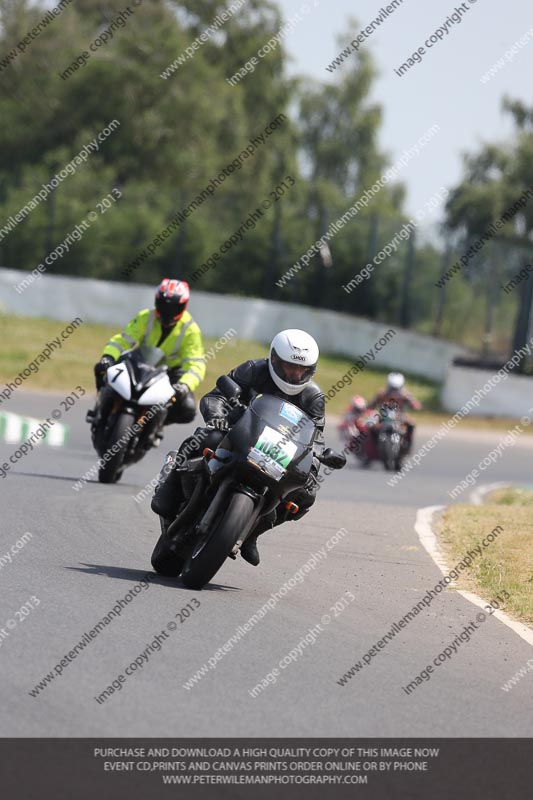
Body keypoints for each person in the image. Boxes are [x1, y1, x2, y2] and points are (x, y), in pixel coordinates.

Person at [151, 329, 325, 566]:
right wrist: (217, 416)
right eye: (288, 367)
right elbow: (217, 396)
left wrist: (314, 463)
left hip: (278, 454)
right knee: (207, 436)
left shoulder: (313, 398)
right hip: (236, 434)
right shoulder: (253, 370)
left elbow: (316, 439)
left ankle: (254, 532)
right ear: (274, 359)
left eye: (302, 370)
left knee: (306, 493)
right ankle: (170, 487)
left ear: (311, 371)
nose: (294, 374)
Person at [90, 279, 205, 430]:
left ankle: (156, 425)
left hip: (170, 372)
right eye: (164, 305)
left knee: (188, 409)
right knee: (103, 369)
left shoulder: (191, 330)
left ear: (183, 306)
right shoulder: (146, 317)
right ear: (156, 301)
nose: (167, 311)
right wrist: (108, 357)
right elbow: (123, 340)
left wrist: (184, 385)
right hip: (138, 362)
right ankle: (100, 409)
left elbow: (196, 364)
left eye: (173, 307)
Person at [368, 372, 421, 452]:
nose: (394, 392)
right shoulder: (382, 393)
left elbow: (414, 403)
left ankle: (406, 444)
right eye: (392, 388)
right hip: (384, 416)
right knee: (371, 425)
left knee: (411, 424)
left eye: (396, 388)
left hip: (400, 416)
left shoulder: (405, 394)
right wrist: (369, 407)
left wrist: (415, 405)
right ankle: (372, 446)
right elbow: (372, 403)